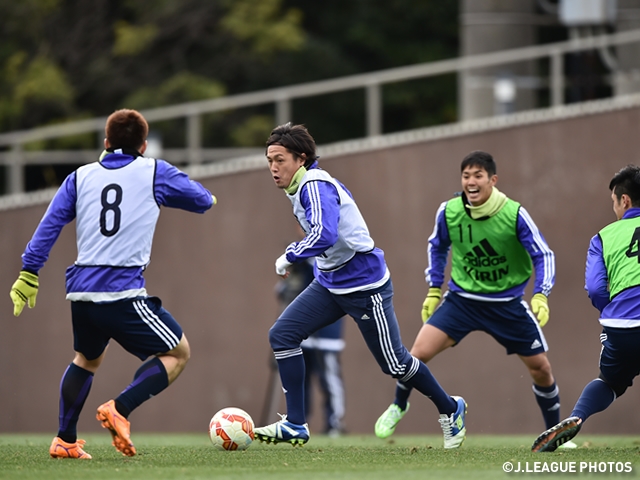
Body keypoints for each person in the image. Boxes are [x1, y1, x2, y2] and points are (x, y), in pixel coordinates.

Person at [9, 109, 216, 459]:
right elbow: (203, 200)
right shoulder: (154, 171)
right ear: (144, 145)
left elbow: (50, 224)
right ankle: (120, 408)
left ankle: (64, 440)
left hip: (82, 293)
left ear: (106, 143)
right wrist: (167, 179)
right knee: (178, 353)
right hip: (120, 292)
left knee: (86, 359)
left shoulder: (80, 176)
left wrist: (29, 271)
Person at [254, 122, 466, 448]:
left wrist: (289, 256)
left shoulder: (313, 184)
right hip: (330, 283)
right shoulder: (299, 187)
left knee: (395, 363)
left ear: (301, 158)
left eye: (279, 159)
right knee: (282, 335)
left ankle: (451, 409)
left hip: (364, 285)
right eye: (269, 160)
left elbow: (323, 234)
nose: (273, 167)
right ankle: (296, 423)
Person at [374, 150, 575, 448]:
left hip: (507, 304)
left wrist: (541, 295)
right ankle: (399, 405)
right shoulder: (449, 211)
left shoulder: (514, 214)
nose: (471, 181)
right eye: (466, 176)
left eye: (478, 176)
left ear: (492, 180)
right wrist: (433, 289)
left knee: (541, 368)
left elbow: (543, 254)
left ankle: (554, 434)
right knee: (416, 354)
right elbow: (437, 247)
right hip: (461, 301)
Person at [532, 165, 640, 452]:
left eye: (614, 202)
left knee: (610, 382)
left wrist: (615, 309)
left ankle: (576, 417)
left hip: (623, 328)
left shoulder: (602, 237)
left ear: (624, 200)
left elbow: (595, 289)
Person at [275, 257, 346, 436]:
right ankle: (299, 420)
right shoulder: (299, 258)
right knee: (300, 377)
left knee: (329, 378)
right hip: (300, 332)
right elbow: (283, 291)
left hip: (326, 333)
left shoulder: (329, 253)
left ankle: (334, 423)